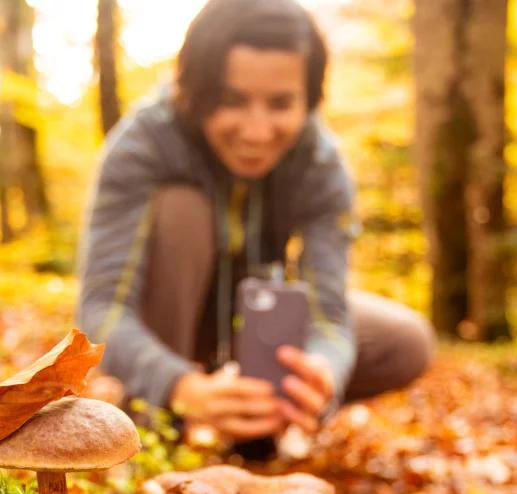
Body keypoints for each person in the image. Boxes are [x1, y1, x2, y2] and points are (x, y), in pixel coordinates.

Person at [77, 0, 435, 448]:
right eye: (232, 101)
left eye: (281, 104)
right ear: (195, 91)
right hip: (171, 324)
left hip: (263, 326)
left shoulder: (320, 164)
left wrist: (321, 374)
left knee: (404, 340)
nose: (257, 131)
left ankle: (257, 421)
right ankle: (157, 424)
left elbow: (330, 313)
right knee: (181, 212)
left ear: (310, 99)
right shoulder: (142, 145)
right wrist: (180, 386)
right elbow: (101, 312)